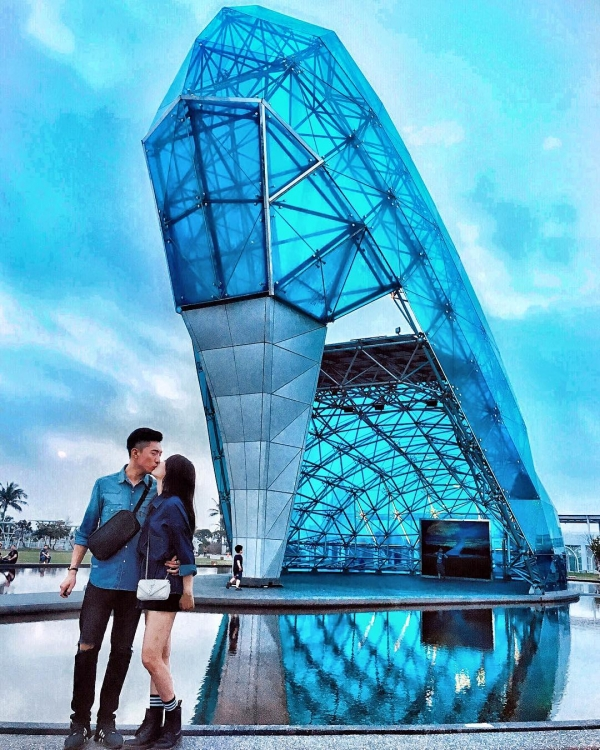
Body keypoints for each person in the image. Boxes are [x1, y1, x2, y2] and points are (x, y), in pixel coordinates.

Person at [59, 427, 174, 750]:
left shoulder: (156, 491)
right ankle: (79, 722)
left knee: (121, 652)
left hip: (133, 588)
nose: (159, 458)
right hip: (100, 582)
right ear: (136, 453)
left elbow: (168, 526)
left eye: (161, 453)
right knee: (87, 647)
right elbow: (85, 531)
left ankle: (106, 721)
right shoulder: (104, 485)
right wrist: (72, 572)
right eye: (154, 452)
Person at [126, 454, 197, 750]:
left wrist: (188, 589)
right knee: (161, 658)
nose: (159, 462)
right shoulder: (161, 501)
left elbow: (185, 547)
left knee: (150, 657)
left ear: (174, 472)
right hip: (152, 586)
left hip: (165, 589)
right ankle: (154, 722)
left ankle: (173, 719)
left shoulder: (173, 505)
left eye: (164, 461)